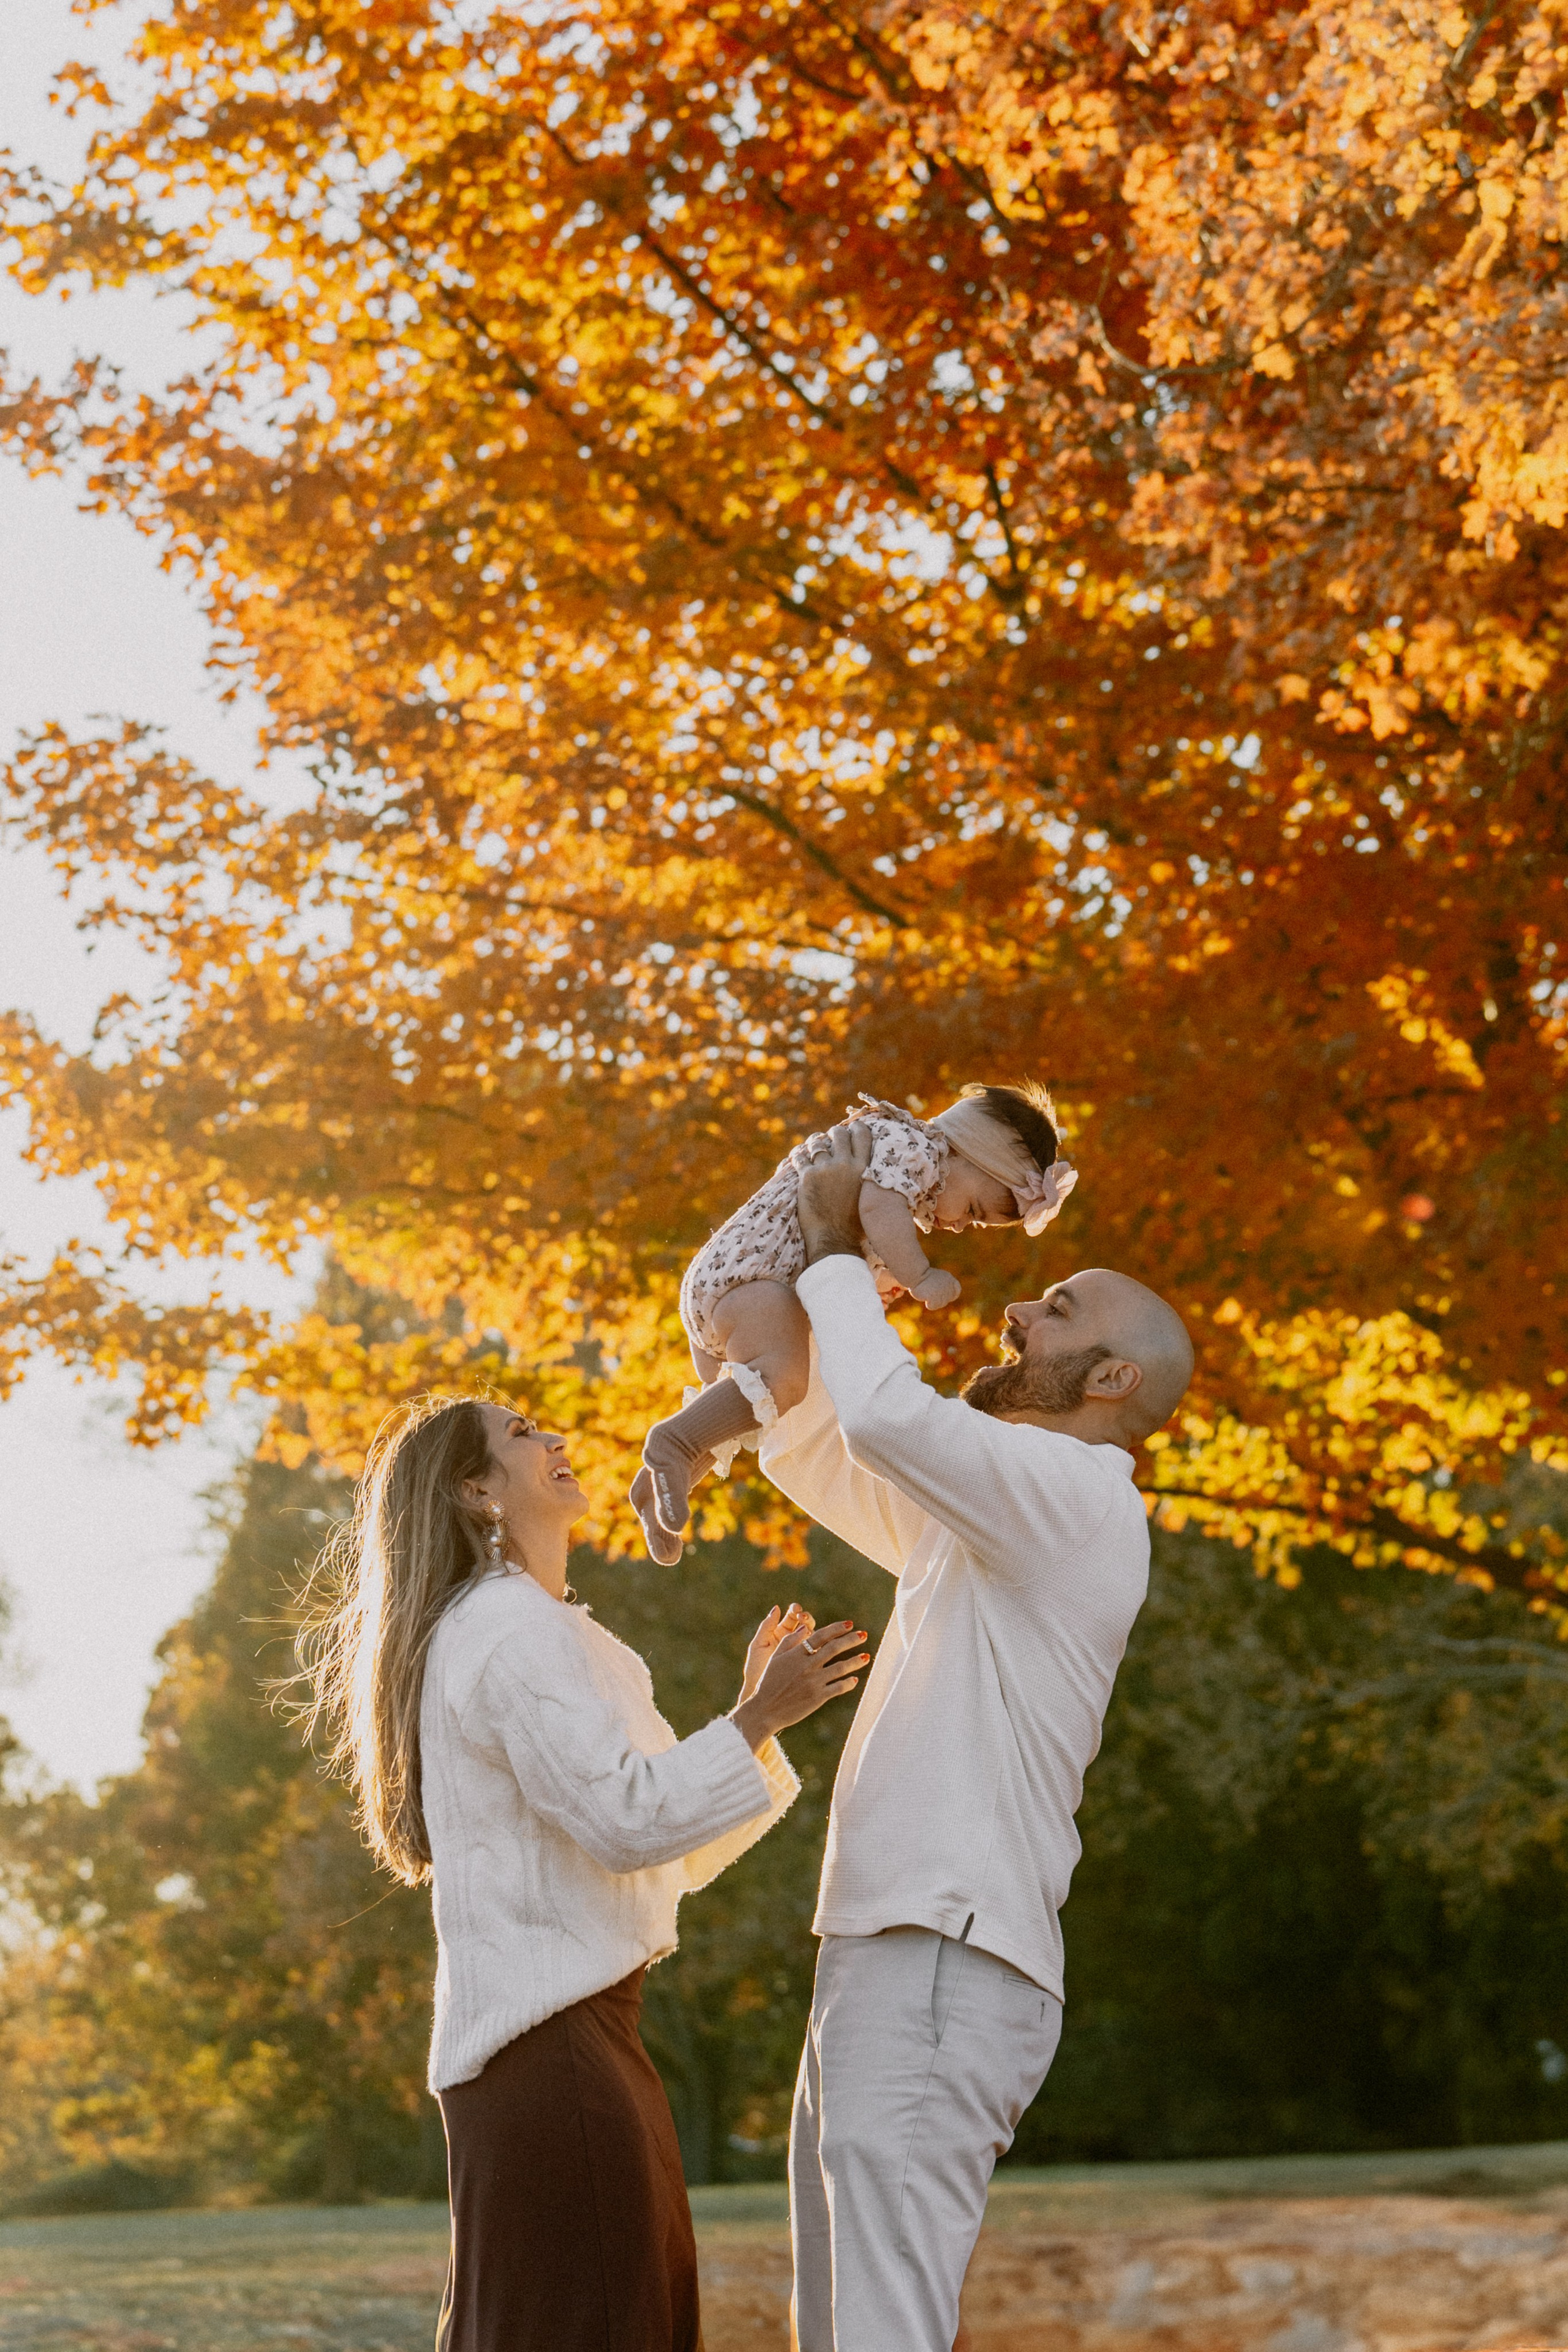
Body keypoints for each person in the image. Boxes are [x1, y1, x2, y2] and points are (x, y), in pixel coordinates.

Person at [295, 1389, 869, 2352]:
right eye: (521, 1435)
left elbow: (663, 1849)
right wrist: (755, 1719)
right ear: (475, 1490)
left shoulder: (550, 1631)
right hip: (553, 2056)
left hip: (580, 2047)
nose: (555, 1437)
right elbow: (627, 1823)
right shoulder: (509, 1632)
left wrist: (751, 1720)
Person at [762, 1122, 1195, 2352]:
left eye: (1057, 1312)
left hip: (942, 1952)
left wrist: (834, 1249)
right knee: (843, 2328)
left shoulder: (1074, 1499)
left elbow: (884, 1422)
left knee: (878, 2328)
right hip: (893, 1947)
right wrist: (757, 1316)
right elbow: (821, 1445)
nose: (1014, 1312)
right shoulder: (991, 1520)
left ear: (1112, 1382)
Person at [631, 1081, 1078, 1562]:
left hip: (736, 1285)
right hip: (753, 1278)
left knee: (751, 1408)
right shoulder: (914, 1149)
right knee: (783, 1380)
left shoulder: (898, 1162)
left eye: (973, 1223)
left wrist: (874, 1279)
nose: (958, 1225)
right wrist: (919, 1275)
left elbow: (857, 1225)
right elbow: (876, 1209)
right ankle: (675, 1443)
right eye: (972, 1210)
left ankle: (659, 1486)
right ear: (967, 1152)